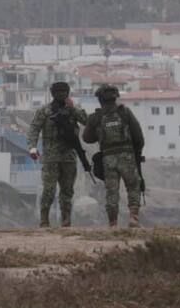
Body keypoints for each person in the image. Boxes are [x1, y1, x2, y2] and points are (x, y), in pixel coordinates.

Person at [26, 81, 89, 228]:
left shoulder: (73, 110)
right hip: (50, 157)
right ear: (52, 93)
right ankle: (44, 219)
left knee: (67, 191)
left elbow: (86, 121)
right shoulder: (45, 111)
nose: (62, 94)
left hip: (69, 157)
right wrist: (32, 148)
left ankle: (66, 219)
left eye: (64, 91)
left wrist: (72, 109)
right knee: (49, 189)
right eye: (58, 92)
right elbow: (34, 129)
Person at [82, 84, 145, 228]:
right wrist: (137, 154)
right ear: (115, 97)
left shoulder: (96, 117)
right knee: (133, 186)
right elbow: (138, 137)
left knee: (112, 191)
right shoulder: (125, 113)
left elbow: (87, 138)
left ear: (100, 100)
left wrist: (99, 131)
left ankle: (113, 222)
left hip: (108, 158)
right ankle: (133, 217)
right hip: (127, 156)